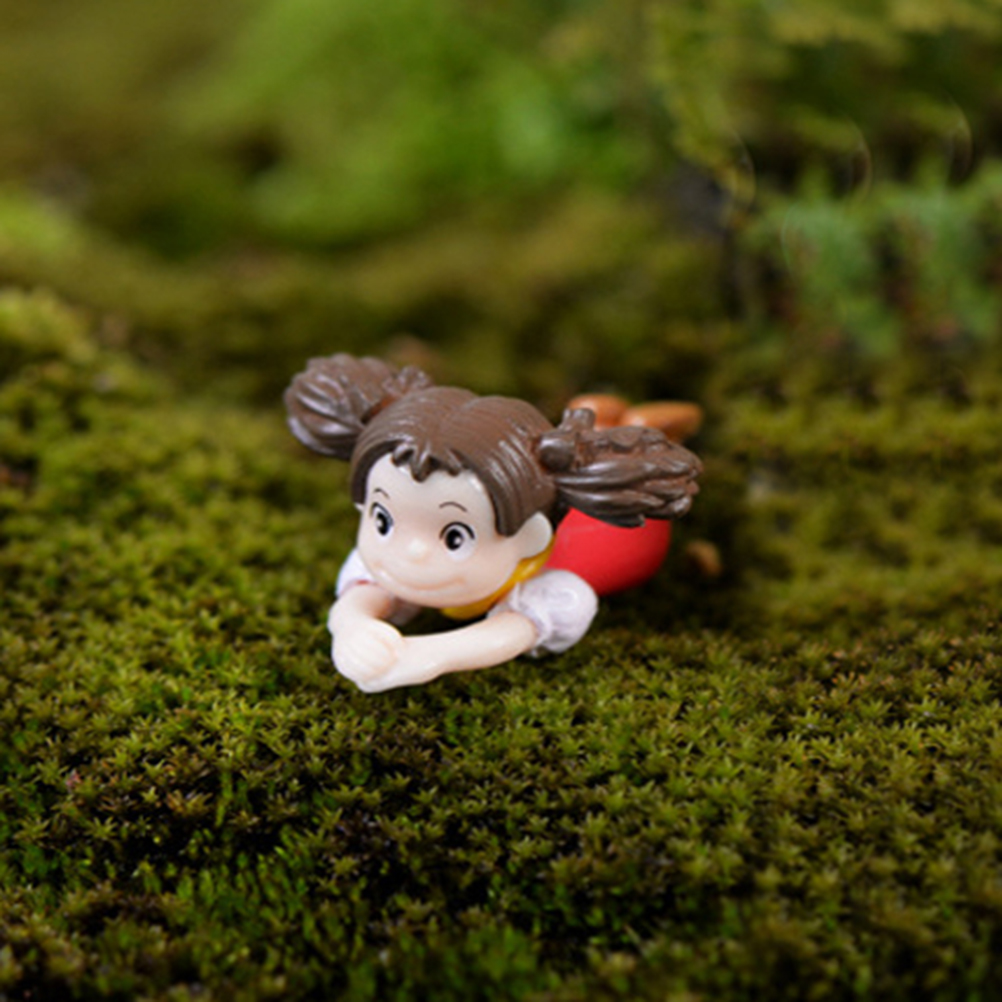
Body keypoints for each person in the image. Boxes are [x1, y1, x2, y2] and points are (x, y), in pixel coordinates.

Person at [285, 353, 701, 692]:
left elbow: (512, 631)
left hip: (631, 535)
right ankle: (599, 417)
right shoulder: (390, 563)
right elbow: (364, 593)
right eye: (383, 520)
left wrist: (429, 655)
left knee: (628, 436)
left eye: (454, 537)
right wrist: (352, 626)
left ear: (529, 536)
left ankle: (629, 425)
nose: (412, 551)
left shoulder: (549, 585)